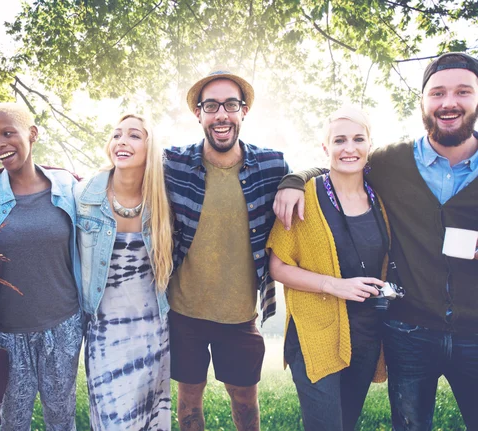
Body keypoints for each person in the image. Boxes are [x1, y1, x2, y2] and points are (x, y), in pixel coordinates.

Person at [274, 52, 478, 430]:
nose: (449, 102)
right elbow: (340, 164)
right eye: (437, 93)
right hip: (411, 333)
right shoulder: (394, 162)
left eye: (463, 91)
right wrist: (293, 179)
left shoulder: (379, 174)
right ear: (423, 103)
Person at [164, 70, 291, 430]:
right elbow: (124, 166)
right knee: (188, 400)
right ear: (199, 114)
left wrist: (296, 181)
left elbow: (318, 177)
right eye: (211, 106)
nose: (221, 114)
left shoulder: (271, 165)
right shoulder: (174, 163)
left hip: (240, 316)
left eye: (230, 104)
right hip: (184, 312)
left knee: (246, 403)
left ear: (243, 111)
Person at [267, 106, 389, 431]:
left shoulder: (383, 197)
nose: (349, 148)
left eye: (358, 139)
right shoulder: (304, 194)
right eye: (339, 140)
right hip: (314, 333)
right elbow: (277, 266)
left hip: (365, 334)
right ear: (326, 148)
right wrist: (333, 285)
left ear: (369, 144)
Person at [0, 103, 83, 431]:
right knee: (13, 421)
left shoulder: (68, 186)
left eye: (8, 133)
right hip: (8, 331)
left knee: (61, 417)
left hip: (63, 325)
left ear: (32, 134)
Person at [75, 113, 173, 430]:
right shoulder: (84, 197)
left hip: (153, 333)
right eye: (117, 134)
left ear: (150, 147)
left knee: (149, 422)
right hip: (105, 332)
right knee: (111, 422)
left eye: (133, 135)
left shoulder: (163, 200)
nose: (122, 141)